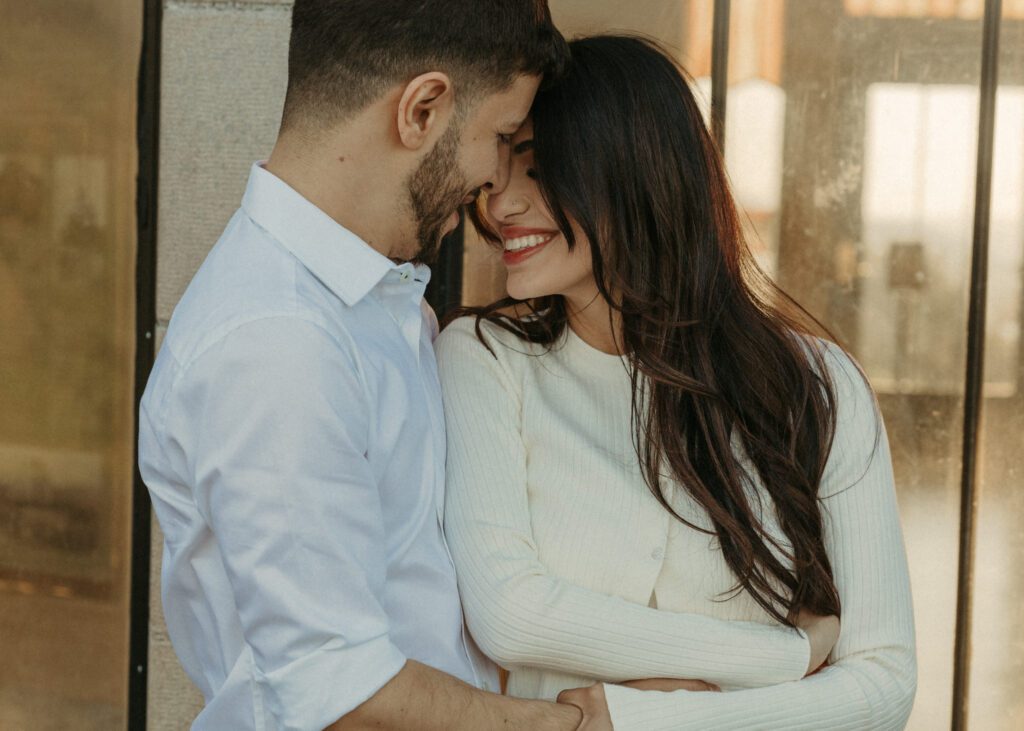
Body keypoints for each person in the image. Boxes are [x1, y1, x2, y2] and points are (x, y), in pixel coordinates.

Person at [436, 35, 917, 730]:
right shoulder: (483, 359)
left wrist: (642, 717)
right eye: (496, 173)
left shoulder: (816, 384)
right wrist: (785, 654)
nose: (502, 203)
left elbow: (884, 686)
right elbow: (511, 614)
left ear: (631, 170)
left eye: (537, 167)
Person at [139, 2, 585, 729]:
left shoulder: (371, 302)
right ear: (423, 109)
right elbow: (340, 691)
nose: (495, 179)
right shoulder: (279, 342)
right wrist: (563, 723)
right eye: (501, 137)